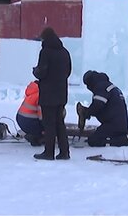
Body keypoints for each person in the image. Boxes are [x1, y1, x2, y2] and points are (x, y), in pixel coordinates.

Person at [32, 27, 72, 160]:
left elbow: (42, 72)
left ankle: (49, 152)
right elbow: (68, 71)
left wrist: (35, 71)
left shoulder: (45, 52)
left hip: (48, 94)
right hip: (61, 94)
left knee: (49, 124)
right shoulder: (65, 52)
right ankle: (64, 152)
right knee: (60, 123)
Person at [77, 70, 128, 147]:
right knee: (96, 138)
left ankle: (122, 141)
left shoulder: (101, 87)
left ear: (90, 82)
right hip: (118, 122)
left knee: (94, 141)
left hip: (113, 124)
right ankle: (120, 137)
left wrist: (87, 113)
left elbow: (98, 105)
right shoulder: (107, 85)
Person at [16, 81, 44, 146]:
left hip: (20, 118)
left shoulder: (32, 92)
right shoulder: (40, 94)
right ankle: (33, 137)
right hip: (28, 121)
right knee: (43, 132)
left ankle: (29, 133)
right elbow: (41, 114)